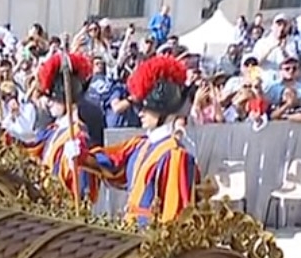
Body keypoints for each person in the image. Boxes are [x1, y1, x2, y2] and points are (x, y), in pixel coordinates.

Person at [85, 55, 201, 229]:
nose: (140, 113)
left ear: (163, 110)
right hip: (131, 231)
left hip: (151, 238)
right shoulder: (140, 145)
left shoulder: (175, 156)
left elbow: (175, 215)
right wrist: (82, 154)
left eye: (146, 109)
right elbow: (113, 164)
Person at [12, 52, 99, 203]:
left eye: (54, 98)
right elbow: (30, 149)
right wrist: (7, 138)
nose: (49, 102)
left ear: (67, 100)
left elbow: (84, 185)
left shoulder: (78, 136)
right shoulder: (53, 130)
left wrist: (78, 163)